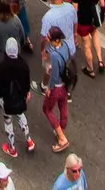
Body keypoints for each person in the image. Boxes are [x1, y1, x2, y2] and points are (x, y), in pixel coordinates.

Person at [0, 34, 36, 158]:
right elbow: (26, 83)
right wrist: (27, 93)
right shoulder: (23, 65)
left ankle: (12, 148)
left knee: (8, 121)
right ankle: (29, 140)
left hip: (5, 100)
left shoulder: (2, 65)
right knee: (20, 115)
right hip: (20, 99)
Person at [42, 24, 75, 153]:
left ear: (56, 40)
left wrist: (49, 89)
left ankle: (62, 138)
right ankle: (61, 128)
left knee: (47, 109)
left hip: (56, 87)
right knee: (63, 106)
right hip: (65, 85)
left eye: (49, 37)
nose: (47, 37)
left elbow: (54, 76)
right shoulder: (65, 45)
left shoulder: (55, 57)